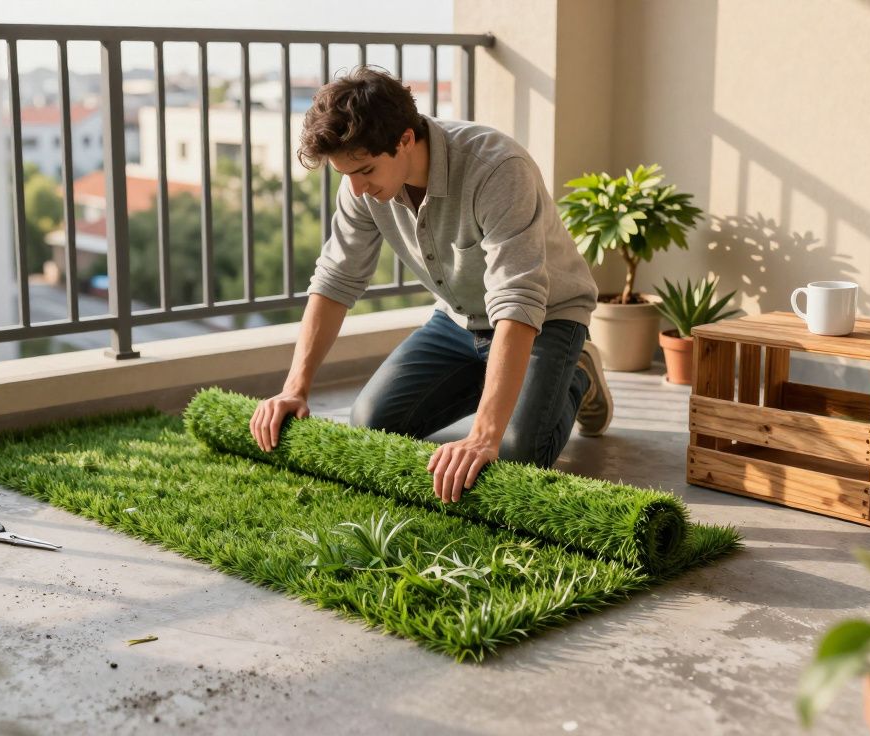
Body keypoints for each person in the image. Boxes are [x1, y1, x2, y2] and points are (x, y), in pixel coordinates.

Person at [248, 66, 612, 504]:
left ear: (404, 139)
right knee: (371, 426)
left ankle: (576, 375)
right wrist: (295, 387)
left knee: (514, 454)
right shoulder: (361, 185)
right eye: (345, 175)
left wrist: (484, 433)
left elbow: (518, 299)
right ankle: (500, 379)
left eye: (364, 170)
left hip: (546, 318)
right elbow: (336, 278)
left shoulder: (497, 169)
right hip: (458, 321)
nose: (357, 189)